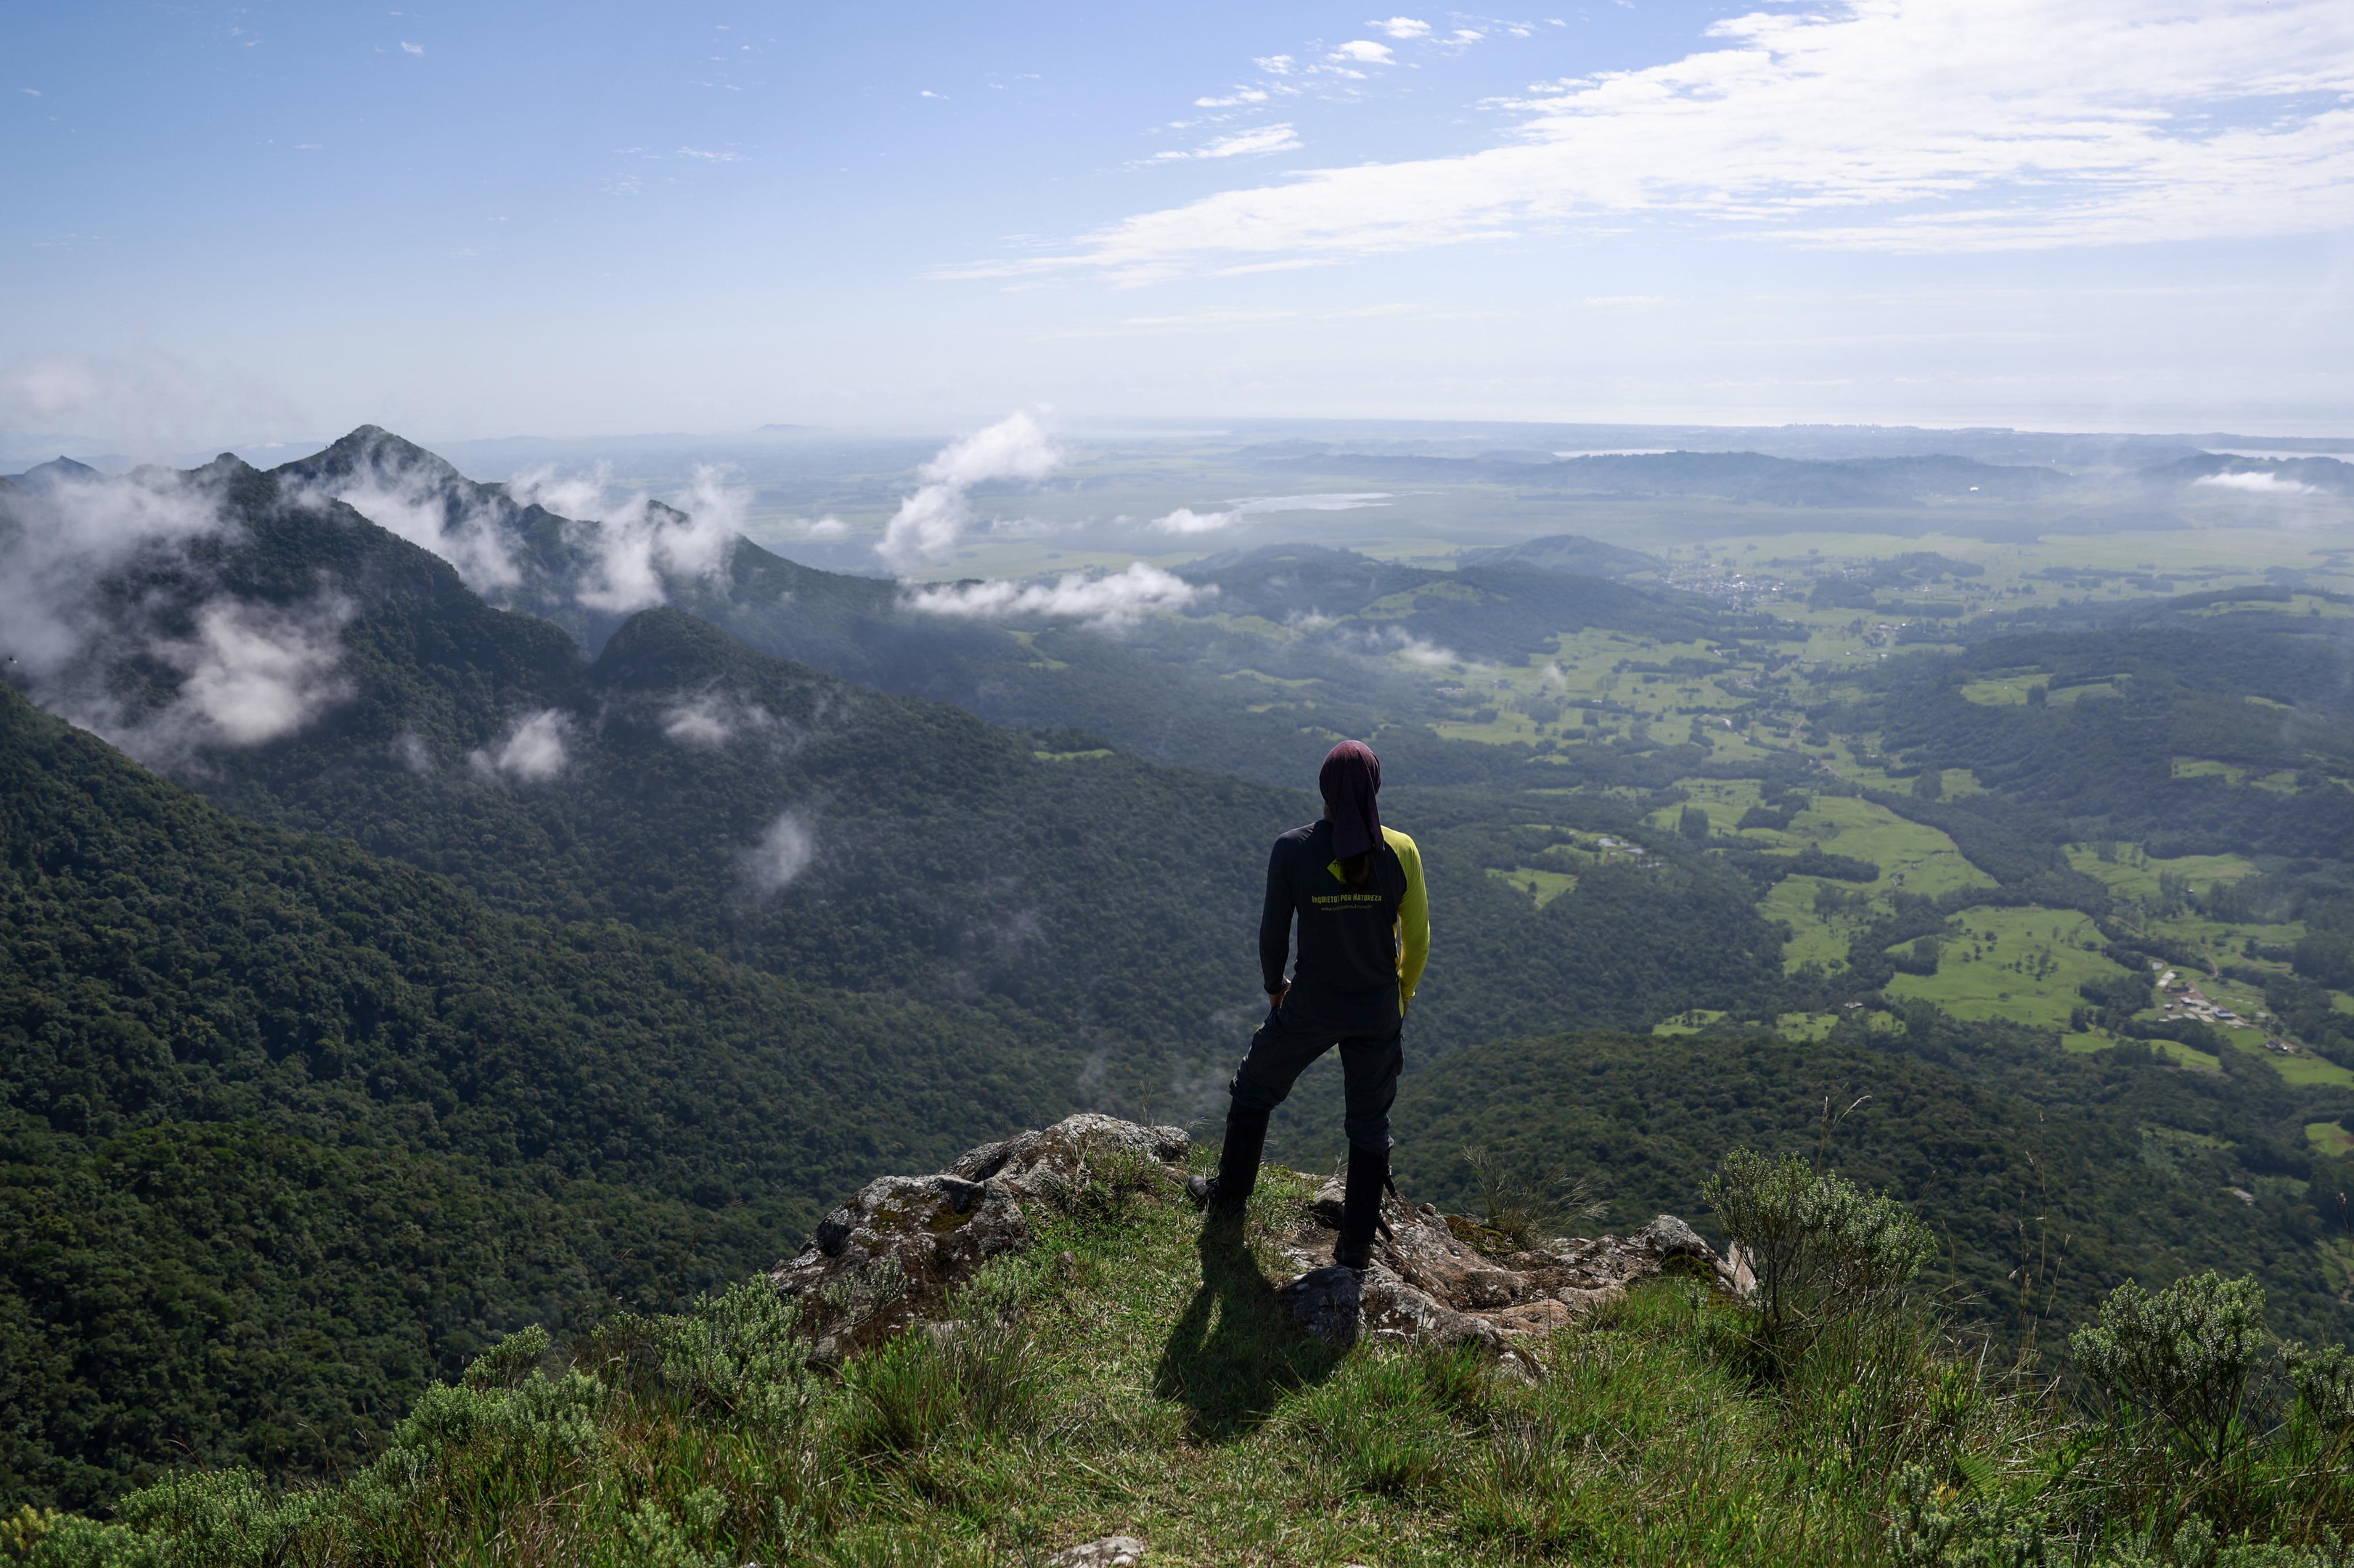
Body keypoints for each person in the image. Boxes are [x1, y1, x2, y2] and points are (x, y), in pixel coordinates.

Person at [1193, 739, 1429, 1270]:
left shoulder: (1293, 848)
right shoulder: (1402, 850)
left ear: (1322, 789)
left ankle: (1227, 1201)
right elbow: (1418, 939)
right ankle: (1354, 1248)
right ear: (1376, 787)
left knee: (1254, 1088)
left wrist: (1275, 987)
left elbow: (1273, 930)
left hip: (1312, 1004)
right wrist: (1401, 996)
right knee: (1369, 1125)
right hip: (1376, 1010)